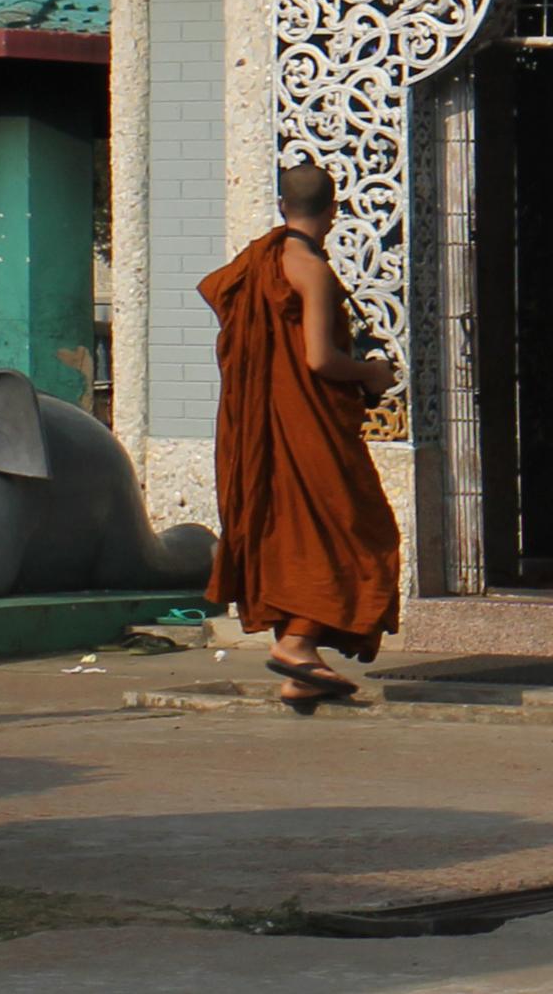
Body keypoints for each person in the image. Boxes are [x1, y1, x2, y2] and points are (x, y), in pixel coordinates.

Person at [201, 158, 403, 711]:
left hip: (263, 425)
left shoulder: (258, 261)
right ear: (333, 212)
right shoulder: (309, 270)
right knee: (356, 529)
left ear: (283, 206)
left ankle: (301, 672)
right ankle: (296, 645)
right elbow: (317, 358)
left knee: (286, 530)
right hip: (307, 424)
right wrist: (369, 373)